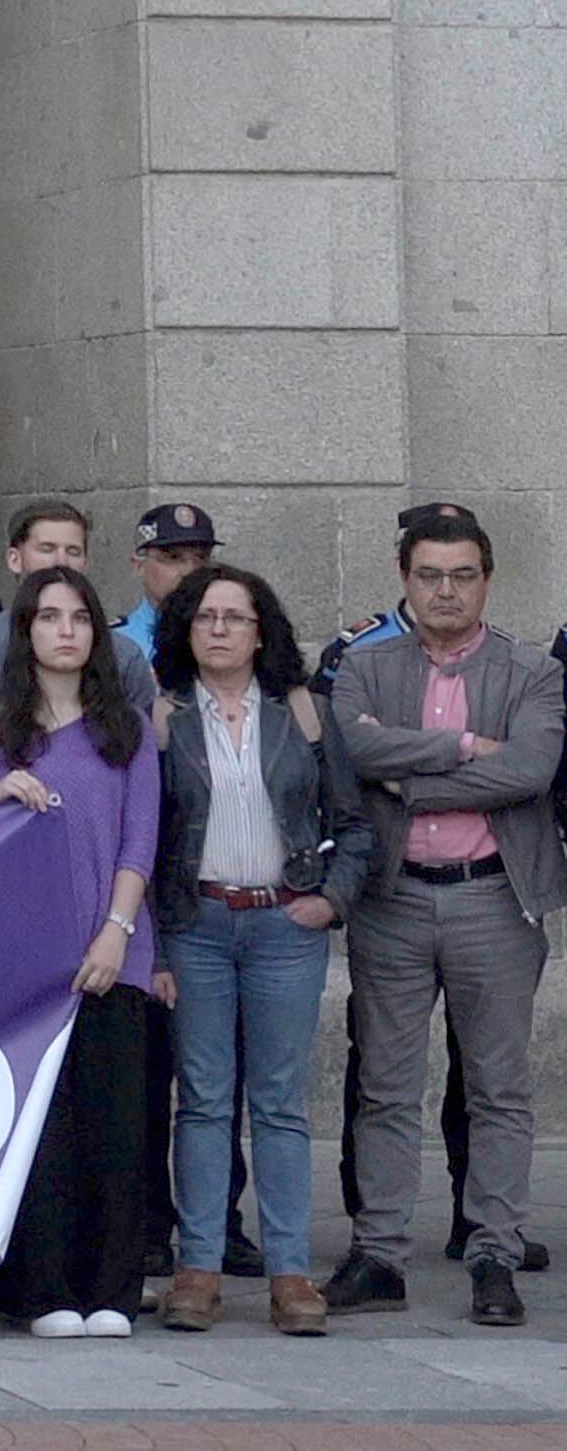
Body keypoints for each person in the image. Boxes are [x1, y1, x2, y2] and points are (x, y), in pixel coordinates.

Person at [323, 503, 558, 1329]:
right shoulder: (365, 665)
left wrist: (410, 773)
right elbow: (353, 750)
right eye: (430, 574)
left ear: (486, 580)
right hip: (392, 898)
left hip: (494, 896)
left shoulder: (531, 670)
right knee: (385, 1087)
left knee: (499, 1089)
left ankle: (493, 1251)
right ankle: (380, 1253)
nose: (446, 590)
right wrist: (463, 748)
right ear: (405, 579)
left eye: (462, 574)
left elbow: (530, 768)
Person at [148, 562, 369, 1339]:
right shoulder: (163, 716)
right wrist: (155, 945)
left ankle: (288, 1272)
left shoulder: (305, 713)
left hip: (284, 927)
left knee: (277, 1103)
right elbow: (144, 834)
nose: (218, 629)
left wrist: (330, 899)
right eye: (205, 616)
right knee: (204, 1100)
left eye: (234, 617)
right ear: (185, 628)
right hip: (196, 925)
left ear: (261, 630)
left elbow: (356, 820)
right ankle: (198, 1269)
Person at [0, 568, 165, 1337]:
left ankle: (111, 1287)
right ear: (26, 631)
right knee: (39, 1129)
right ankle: (40, 1289)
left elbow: (140, 840)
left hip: (111, 951)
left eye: (82, 616)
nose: (67, 629)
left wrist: (118, 928)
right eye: (50, 616)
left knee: (116, 1126)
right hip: (20, 962)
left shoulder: (130, 729)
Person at [0, 498, 93, 687]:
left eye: (73, 552)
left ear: (85, 564)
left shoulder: (121, 654)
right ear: (14, 560)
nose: (61, 562)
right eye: (47, 549)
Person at [122, 502, 218, 664]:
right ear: (139, 565)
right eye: (173, 558)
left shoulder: (226, 636)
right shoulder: (115, 642)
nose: (189, 571)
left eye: (200, 558)